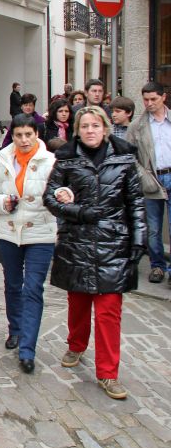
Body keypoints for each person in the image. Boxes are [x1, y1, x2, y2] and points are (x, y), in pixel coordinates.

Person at [43, 105, 146, 400]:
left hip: (114, 242)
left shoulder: (124, 160)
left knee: (109, 311)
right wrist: (78, 210)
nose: (90, 130)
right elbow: (50, 197)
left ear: (105, 128)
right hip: (77, 240)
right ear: (78, 130)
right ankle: (76, 344)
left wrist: (139, 239)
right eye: (85, 126)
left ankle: (108, 372)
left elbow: (136, 202)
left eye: (95, 125)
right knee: (78, 301)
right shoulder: (67, 160)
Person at [0, 114, 56, 374]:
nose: (24, 140)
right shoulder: (3, 159)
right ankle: (15, 329)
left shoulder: (50, 162)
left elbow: (58, 196)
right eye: (19, 135)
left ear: (36, 134)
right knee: (13, 285)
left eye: (29, 134)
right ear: (12, 136)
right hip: (9, 232)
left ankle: (28, 348)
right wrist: (1, 202)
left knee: (33, 288)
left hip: (41, 233)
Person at [125, 81, 171, 284]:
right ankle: (157, 266)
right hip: (151, 178)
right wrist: (143, 175)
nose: (149, 103)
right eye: (146, 99)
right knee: (153, 227)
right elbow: (129, 155)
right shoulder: (138, 126)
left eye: (153, 99)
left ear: (163, 97)